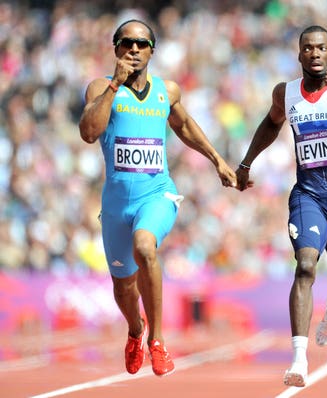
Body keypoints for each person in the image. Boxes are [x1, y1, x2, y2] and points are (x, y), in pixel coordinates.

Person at [78, 19, 237, 377]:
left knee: (146, 246)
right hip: (117, 204)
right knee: (123, 287)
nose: (133, 49)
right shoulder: (100, 88)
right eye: (126, 43)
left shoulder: (167, 91)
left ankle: (158, 340)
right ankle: (135, 329)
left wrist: (218, 161)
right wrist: (115, 84)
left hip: (157, 193)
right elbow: (89, 132)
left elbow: (184, 126)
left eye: (141, 43)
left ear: (152, 50)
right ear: (115, 48)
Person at [235, 25, 327, 387]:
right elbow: (270, 125)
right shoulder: (286, 94)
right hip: (308, 196)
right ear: (299, 55)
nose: (315, 53)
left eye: (321, 48)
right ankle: (299, 359)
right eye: (308, 48)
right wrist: (246, 163)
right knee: (304, 266)